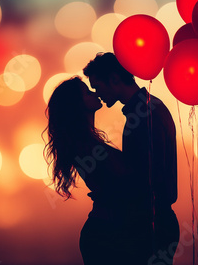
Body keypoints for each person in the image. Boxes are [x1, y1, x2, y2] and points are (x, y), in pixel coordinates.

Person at [83, 52, 180, 264]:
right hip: (157, 222)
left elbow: (143, 177)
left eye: (98, 86)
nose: (97, 94)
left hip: (151, 226)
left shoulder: (144, 114)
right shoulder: (150, 107)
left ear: (115, 79)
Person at [45, 76, 136, 265]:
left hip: (106, 231)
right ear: (78, 104)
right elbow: (126, 178)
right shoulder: (86, 146)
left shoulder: (85, 143)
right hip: (107, 235)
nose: (95, 93)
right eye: (87, 92)